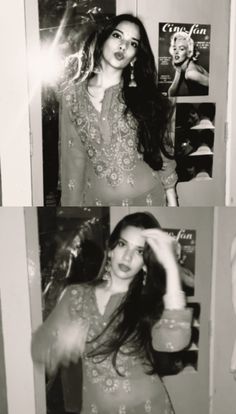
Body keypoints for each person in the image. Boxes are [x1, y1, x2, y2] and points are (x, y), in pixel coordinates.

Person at [32, 212, 192, 414]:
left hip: (149, 407)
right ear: (111, 248)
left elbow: (173, 343)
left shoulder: (148, 303)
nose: (127, 257)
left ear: (145, 263)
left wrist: (170, 268)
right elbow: (38, 348)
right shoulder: (76, 295)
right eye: (123, 244)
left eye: (139, 251)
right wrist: (60, 343)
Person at [59, 14, 178, 207]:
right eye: (117, 36)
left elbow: (160, 152)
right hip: (97, 204)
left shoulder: (144, 97)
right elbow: (73, 163)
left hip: (150, 198)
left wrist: (173, 203)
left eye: (133, 43)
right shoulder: (72, 97)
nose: (123, 45)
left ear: (135, 57)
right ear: (103, 40)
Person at [168, 31, 209, 97]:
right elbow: (171, 94)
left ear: (189, 52)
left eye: (181, 49)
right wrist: (178, 69)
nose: (176, 52)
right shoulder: (183, 66)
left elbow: (217, 86)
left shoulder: (190, 74)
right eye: (174, 48)